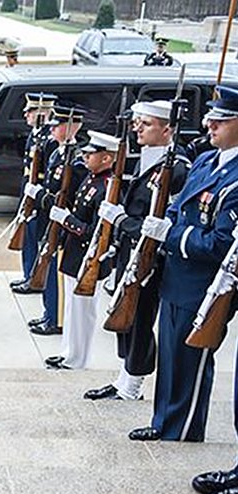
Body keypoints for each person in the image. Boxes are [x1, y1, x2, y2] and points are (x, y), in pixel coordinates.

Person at [129, 85, 238, 443]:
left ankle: (184, 427)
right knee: (172, 356)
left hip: (205, 285)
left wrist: (171, 235)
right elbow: (177, 208)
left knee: (191, 359)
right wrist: (168, 225)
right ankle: (164, 422)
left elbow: (221, 242)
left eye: (220, 120)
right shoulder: (208, 160)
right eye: (211, 119)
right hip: (177, 275)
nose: (210, 126)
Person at [83, 100, 189, 400]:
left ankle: (133, 385)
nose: (137, 128)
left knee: (140, 319)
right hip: (129, 252)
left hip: (150, 259)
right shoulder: (145, 159)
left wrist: (122, 220)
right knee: (124, 318)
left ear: (167, 129)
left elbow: (160, 223)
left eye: (146, 124)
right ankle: (122, 378)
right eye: (137, 122)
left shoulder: (177, 168)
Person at [44, 130, 117, 370]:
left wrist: (67, 220)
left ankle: (78, 358)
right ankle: (68, 352)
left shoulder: (107, 187)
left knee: (83, 312)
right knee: (72, 308)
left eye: (90, 154)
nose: (85, 157)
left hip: (89, 257)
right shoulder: (91, 178)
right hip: (75, 254)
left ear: (106, 158)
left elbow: (95, 231)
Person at [23, 105, 87, 336]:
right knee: (48, 268)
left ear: (71, 128)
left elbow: (66, 197)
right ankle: (49, 312)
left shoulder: (77, 161)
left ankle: (56, 319)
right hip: (51, 220)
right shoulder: (57, 153)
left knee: (56, 274)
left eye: (57, 126)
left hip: (62, 224)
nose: (52, 129)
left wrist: (40, 196)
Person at [11, 92, 58, 294]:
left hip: (38, 201)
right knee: (27, 238)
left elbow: (47, 175)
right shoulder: (36, 134)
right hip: (28, 196)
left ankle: (34, 278)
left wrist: (38, 199)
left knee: (35, 239)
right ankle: (27, 274)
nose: (26, 116)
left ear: (42, 113)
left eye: (30, 111)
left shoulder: (49, 139)